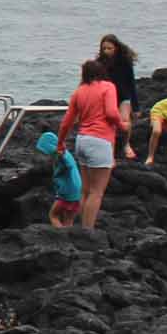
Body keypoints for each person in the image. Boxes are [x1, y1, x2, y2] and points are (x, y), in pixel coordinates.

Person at [54, 58, 128, 229]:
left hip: (82, 141)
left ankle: (79, 227)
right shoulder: (108, 87)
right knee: (97, 192)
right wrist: (122, 125)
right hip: (100, 141)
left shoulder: (79, 91)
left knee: (85, 191)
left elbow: (66, 122)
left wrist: (60, 143)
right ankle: (88, 231)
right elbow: (111, 112)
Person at [98, 34, 141, 159]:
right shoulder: (99, 63)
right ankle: (109, 147)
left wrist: (136, 106)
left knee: (125, 121)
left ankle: (126, 145)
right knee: (109, 123)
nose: (106, 51)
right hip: (106, 97)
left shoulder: (125, 62)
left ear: (116, 47)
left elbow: (131, 83)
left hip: (123, 95)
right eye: (104, 48)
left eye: (109, 48)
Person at [36, 130, 83, 227]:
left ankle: (60, 236)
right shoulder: (66, 153)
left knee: (53, 215)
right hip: (77, 193)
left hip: (66, 193)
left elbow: (68, 165)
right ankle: (67, 238)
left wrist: (62, 157)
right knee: (68, 220)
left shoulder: (61, 156)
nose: (45, 154)